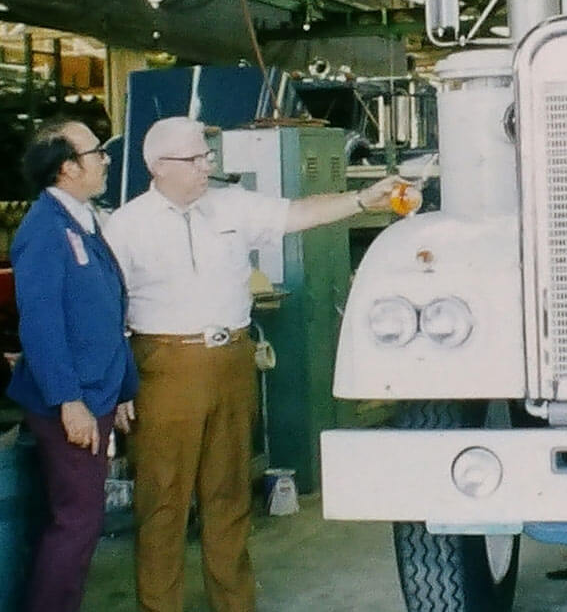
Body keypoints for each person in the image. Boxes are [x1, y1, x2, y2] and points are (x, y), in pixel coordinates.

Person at [102, 116, 402, 612]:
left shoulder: (231, 206)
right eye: (195, 159)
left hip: (231, 361)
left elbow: (298, 213)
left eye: (207, 156)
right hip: (164, 368)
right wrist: (118, 388)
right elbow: (107, 313)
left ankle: (235, 604)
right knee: (163, 503)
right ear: (157, 167)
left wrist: (359, 201)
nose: (207, 166)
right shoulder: (127, 227)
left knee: (228, 496)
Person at [7, 119, 138, 612]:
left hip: (95, 393)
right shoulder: (44, 230)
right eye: (97, 152)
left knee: (77, 519)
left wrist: (122, 387)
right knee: (77, 520)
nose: (105, 159)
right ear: (67, 167)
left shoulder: (82, 220)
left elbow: (107, 307)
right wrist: (69, 401)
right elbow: (41, 325)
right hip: (70, 402)